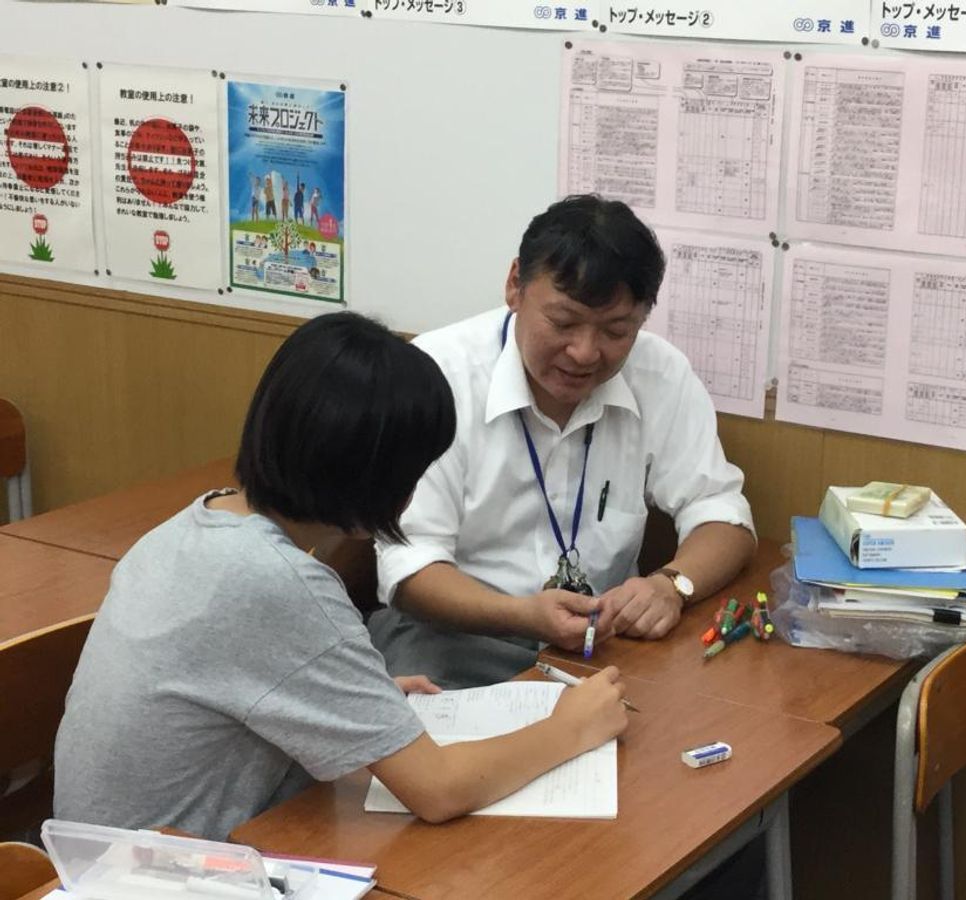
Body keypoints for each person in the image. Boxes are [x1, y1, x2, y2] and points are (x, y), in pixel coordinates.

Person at [54, 312, 628, 841]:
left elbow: (236, 685)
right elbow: (440, 790)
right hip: (155, 875)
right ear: (373, 475)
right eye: (415, 471)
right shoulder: (277, 581)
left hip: (102, 858)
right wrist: (571, 726)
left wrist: (350, 699)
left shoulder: (198, 523)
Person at [369, 195, 756, 688]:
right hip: (450, 637)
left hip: (603, 645)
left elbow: (723, 515)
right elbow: (409, 568)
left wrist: (671, 585)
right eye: (564, 322)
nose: (585, 352)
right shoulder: (437, 376)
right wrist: (524, 616)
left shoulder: (659, 373)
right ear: (515, 285)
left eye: (616, 330)